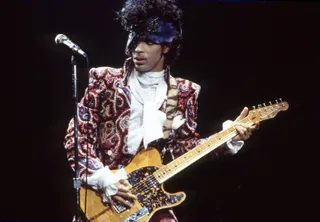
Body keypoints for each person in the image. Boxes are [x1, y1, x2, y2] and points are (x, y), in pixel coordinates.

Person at [63, 0, 259, 221]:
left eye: (148, 42)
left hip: (149, 200)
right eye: (135, 40)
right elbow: (77, 139)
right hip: (103, 200)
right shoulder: (104, 80)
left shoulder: (185, 92)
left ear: (167, 46)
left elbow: (182, 149)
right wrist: (104, 179)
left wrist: (226, 137)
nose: (138, 49)